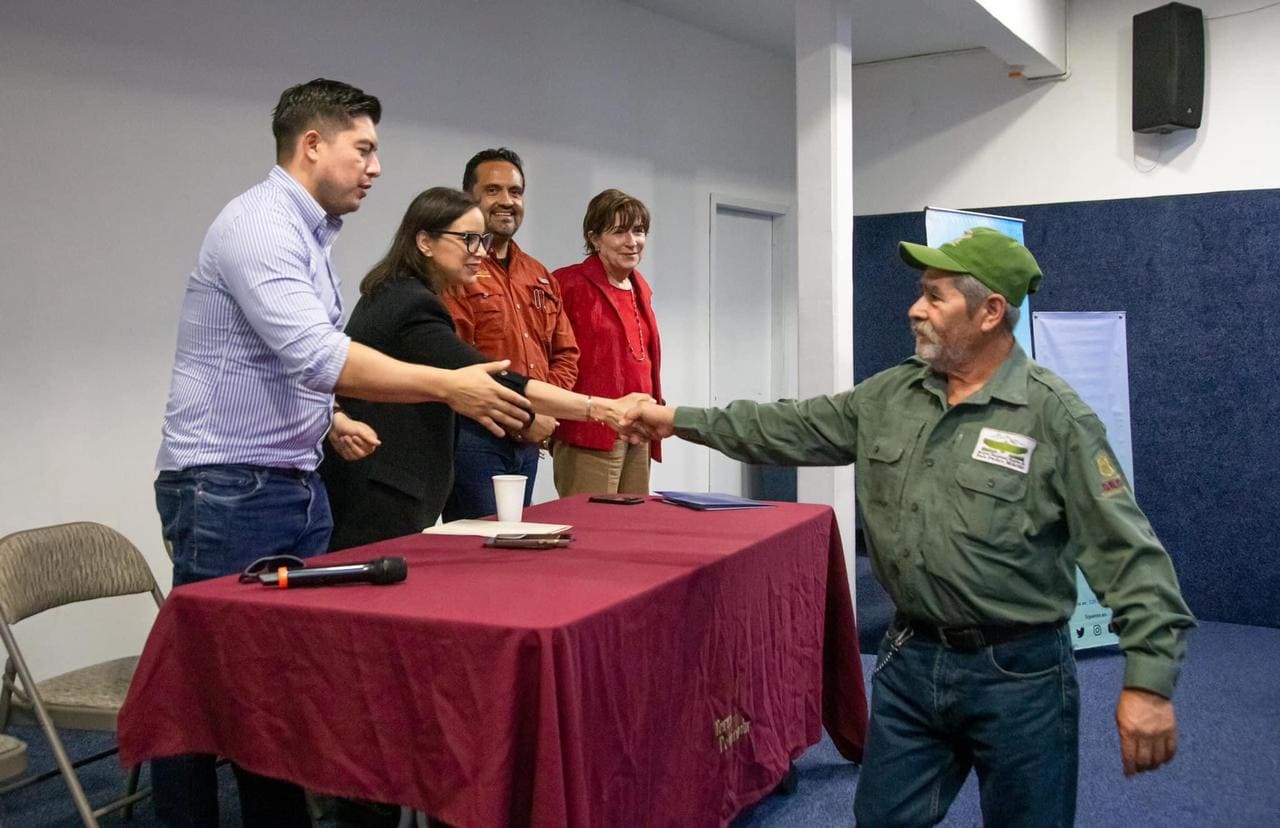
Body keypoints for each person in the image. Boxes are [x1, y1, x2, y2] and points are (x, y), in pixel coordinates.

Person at [621, 228, 1196, 826]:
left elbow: (1130, 554)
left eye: (935, 296)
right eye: (920, 293)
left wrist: (1149, 683)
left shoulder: (1054, 417)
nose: (914, 309)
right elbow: (788, 425)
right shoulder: (894, 393)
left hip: (1019, 675)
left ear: (990, 312)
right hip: (912, 659)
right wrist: (674, 419)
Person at [153, 79, 529, 828]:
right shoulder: (259, 225)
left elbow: (280, 364)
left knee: (292, 685)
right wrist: (451, 387)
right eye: (364, 149)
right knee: (212, 691)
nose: (376, 167)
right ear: (312, 145)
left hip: (292, 483)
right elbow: (316, 352)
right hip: (230, 488)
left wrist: (325, 419)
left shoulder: (312, 235)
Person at [321, 188, 650, 550]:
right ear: (425, 242)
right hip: (384, 484)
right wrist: (599, 408)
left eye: (482, 240)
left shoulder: (399, 292)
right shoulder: (413, 304)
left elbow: (555, 354)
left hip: (388, 478)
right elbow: (492, 376)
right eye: (468, 240)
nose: (479, 251)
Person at [441, 148, 579, 519]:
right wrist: (525, 416)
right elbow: (457, 360)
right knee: (481, 551)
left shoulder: (538, 274)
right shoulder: (456, 272)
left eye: (515, 192)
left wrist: (541, 410)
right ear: (469, 197)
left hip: (530, 439)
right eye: (493, 191)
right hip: (475, 437)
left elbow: (565, 353)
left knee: (516, 547)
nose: (507, 201)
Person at [550, 189, 663, 495]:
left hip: (639, 430)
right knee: (591, 526)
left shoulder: (641, 287)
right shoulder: (567, 284)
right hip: (588, 431)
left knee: (632, 528)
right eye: (619, 231)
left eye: (639, 231)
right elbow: (550, 355)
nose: (632, 241)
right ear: (595, 238)